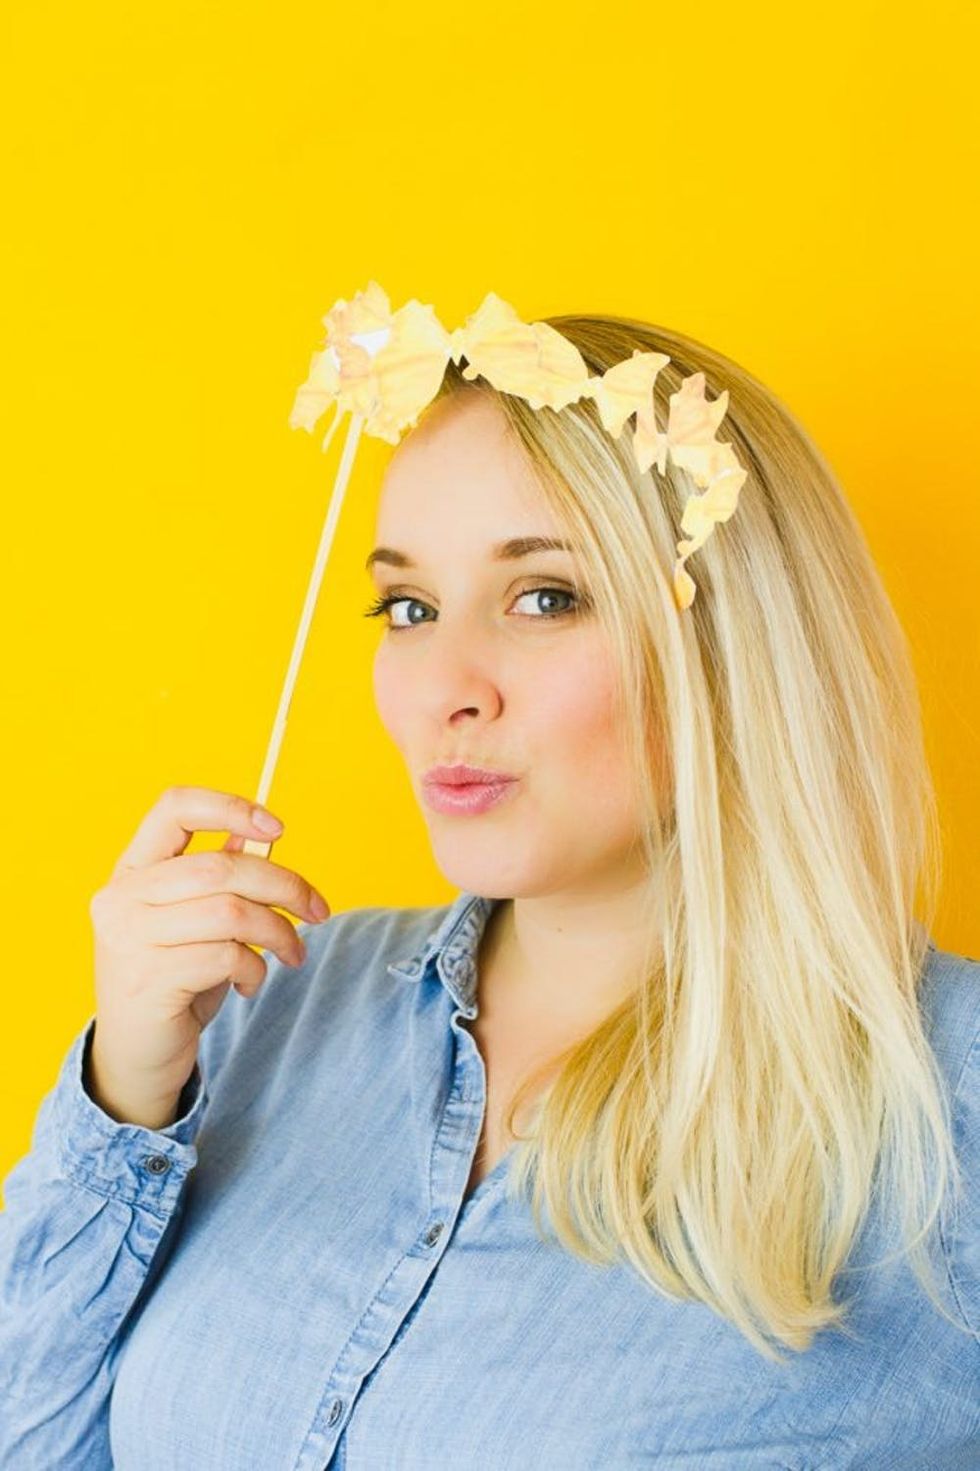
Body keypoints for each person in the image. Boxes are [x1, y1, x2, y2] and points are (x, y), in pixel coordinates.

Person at [1, 314, 978, 1469]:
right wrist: (124, 1094)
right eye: (408, 609)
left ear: (733, 637)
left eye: (544, 596)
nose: (443, 688)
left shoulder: (944, 1101)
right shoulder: (265, 1001)